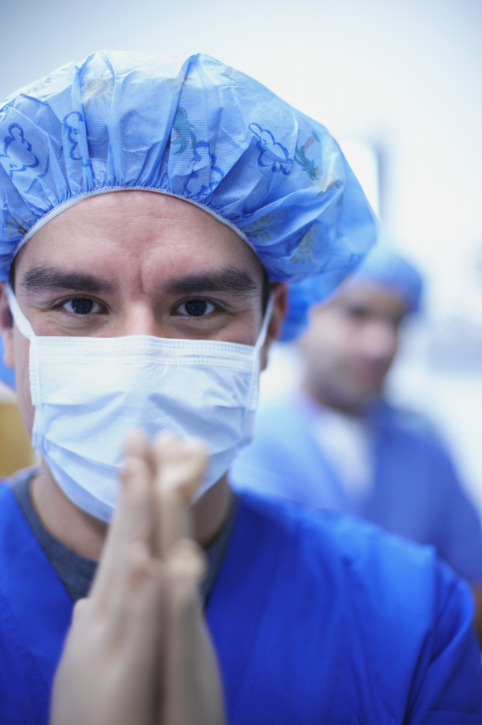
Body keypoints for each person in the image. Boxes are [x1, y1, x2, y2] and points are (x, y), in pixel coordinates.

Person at [0, 51, 481, 724]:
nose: (138, 356)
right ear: (8, 324)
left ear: (271, 324)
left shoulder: (411, 619)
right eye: (80, 304)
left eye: (196, 307)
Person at [231, 245, 482, 639]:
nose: (381, 345)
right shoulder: (251, 442)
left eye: (396, 322)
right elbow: (277, 601)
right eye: (357, 313)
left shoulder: (427, 453)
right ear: (295, 315)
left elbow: (476, 586)